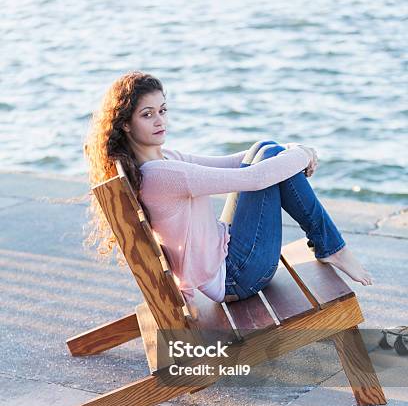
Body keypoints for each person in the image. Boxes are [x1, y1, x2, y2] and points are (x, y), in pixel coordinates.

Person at [83, 71, 373, 305]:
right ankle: (332, 246)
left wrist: (290, 149)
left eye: (162, 110)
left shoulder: (164, 159)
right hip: (237, 276)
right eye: (147, 115)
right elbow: (255, 179)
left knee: (265, 149)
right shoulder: (162, 175)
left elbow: (236, 162)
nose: (160, 121)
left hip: (227, 256)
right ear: (126, 125)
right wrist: (304, 153)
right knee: (270, 159)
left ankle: (329, 246)